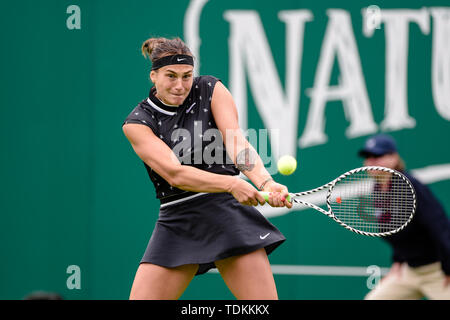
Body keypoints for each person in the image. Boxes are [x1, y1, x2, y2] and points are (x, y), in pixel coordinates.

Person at [122, 37, 292, 300]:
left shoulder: (210, 88)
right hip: (177, 220)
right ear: (153, 76)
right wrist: (232, 184)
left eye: (187, 76)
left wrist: (266, 183)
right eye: (171, 76)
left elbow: (236, 143)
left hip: (226, 215)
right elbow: (174, 173)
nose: (180, 85)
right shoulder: (138, 122)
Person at [358, 134, 450, 300]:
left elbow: (440, 226)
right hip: (408, 272)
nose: (371, 161)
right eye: (368, 157)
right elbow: (396, 232)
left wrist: (449, 267)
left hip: (438, 272)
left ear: (393, 158)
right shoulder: (378, 189)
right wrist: (398, 260)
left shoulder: (411, 187)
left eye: (377, 156)